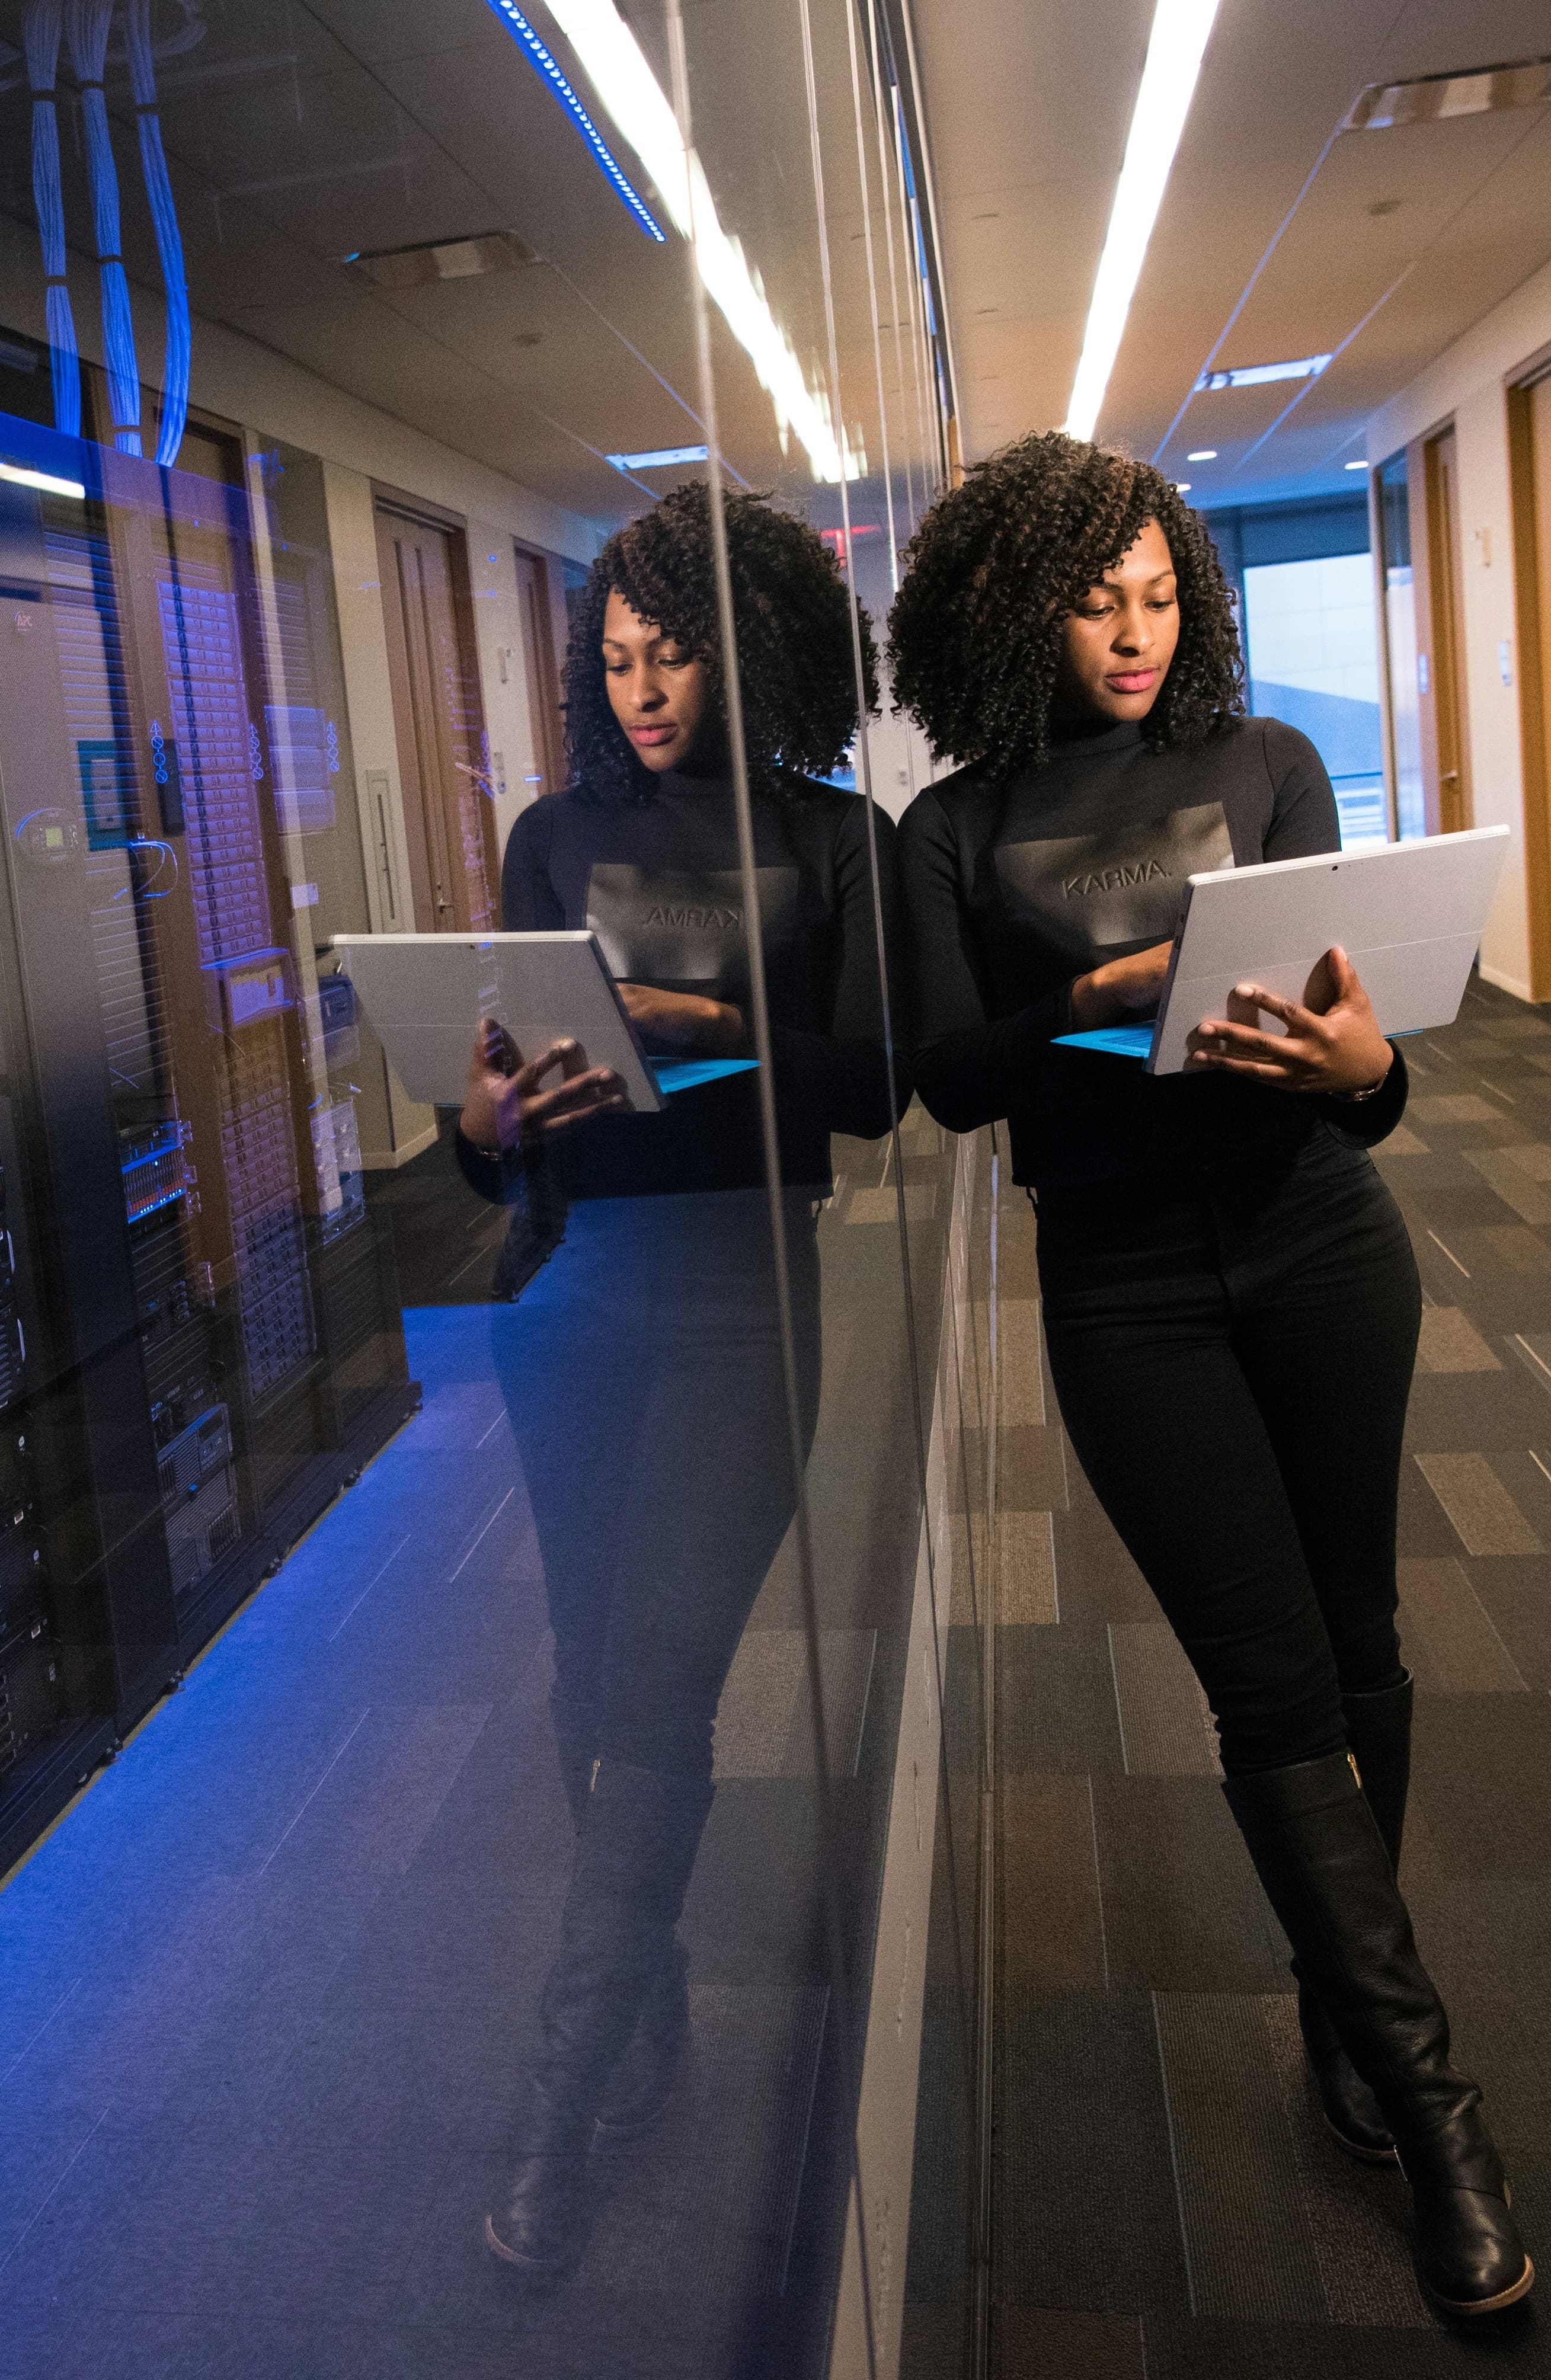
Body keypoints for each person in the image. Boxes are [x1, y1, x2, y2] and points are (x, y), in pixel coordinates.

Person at [890, 432, 1531, 2317]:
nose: (1138, 631)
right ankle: (1440, 2121)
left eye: (1164, 593)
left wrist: (1371, 1074)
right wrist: (1083, 1004)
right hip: (1125, 1288)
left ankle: (1346, 2008)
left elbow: (1366, 1050)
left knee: (1364, 1645)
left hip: (1324, 1240)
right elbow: (945, 1074)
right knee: (1267, 1690)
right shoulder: (955, 827)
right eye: (1097, 599)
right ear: (1019, 608)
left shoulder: (1268, 766)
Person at [453, 483, 906, 2282]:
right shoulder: (551, 835)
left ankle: (563, 2103)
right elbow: (494, 1133)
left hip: (744, 1306)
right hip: (575, 1294)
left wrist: (709, 1030)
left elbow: (877, 1086)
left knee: (652, 1689)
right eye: (620, 658)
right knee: (591, 1689)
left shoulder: (829, 835)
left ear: (749, 646)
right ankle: (648, 2018)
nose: (645, 688)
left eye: (677, 652)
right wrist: (487, 1125)